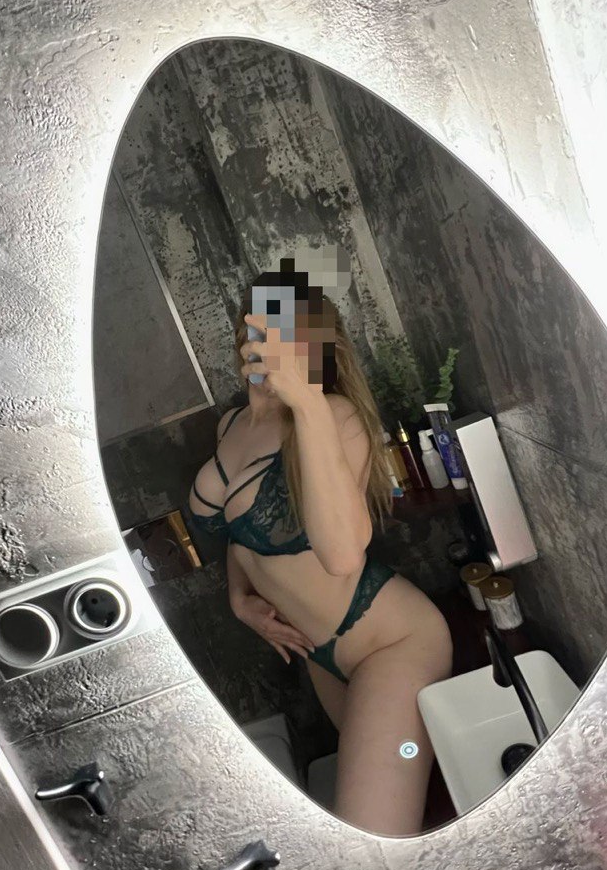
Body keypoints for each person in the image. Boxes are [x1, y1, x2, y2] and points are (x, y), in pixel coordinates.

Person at [188, 269, 452, 836]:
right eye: (262, 325)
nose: (272, 341)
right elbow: (241, 530)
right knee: (377, 815)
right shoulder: (231, 424)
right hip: (322, 657)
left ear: (315, 344)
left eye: (291, 332)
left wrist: (305, 402)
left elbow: (342, 556)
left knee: (372, 835)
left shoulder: (334, 416)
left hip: (389, 642)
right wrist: (239, 598)